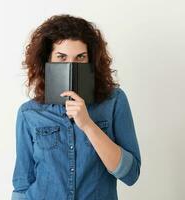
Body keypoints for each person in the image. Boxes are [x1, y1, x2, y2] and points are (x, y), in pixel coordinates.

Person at [11, 14, 141, 200]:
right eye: (61, 57)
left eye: (80, 57)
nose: (71, 65)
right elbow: (22, 183)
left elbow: (130, 175)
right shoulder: (29, 113)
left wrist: (88, 124)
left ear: (91, 61)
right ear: (47, 60)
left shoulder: (114, 101)